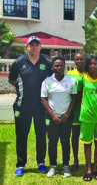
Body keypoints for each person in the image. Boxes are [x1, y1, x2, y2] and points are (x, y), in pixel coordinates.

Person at [8, 36, 52, 176]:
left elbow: (51, 81)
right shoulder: (19, 62)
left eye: (36, 44)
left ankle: (41, 162)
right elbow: (12, 80)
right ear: (27, 47)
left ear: (40, 47)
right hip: (22, 105)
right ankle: (20, 164)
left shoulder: (47, 62)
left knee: (41, 135)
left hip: (41, 106)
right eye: (31, 45)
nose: (34, 47)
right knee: (21, 135)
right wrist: (24, 90)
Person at [41, 56, 77, 178]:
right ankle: (53, 166)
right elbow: (44, 99)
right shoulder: (47, 81)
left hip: (66, 117)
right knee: (52, 142)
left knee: (65, 142)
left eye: (61, 65)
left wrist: (66, 115)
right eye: (56, 65)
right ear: (52, 67)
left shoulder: (70, 81)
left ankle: (66, 166)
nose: (59, 67)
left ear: (65, 66)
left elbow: (74, 99)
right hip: (52, 117)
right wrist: (52, 115)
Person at [78, 55, 97, 181]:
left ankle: (96, 167)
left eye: (95, 63)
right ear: (87, 65)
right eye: (90, 63)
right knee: (87, 143)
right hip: (87, 116)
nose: (92, 66)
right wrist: (86, 107)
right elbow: (79, 95)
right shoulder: (83, 79)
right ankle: (89, 169)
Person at [67, 51, 85, 172]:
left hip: (88, 109)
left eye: (81, 59)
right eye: (76, 59)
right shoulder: (69, 74)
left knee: (89, 136)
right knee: (75, 135)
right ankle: (76, 160)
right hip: (75, 109)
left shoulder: (89, 73)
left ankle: (91, 160)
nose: (78, 61)